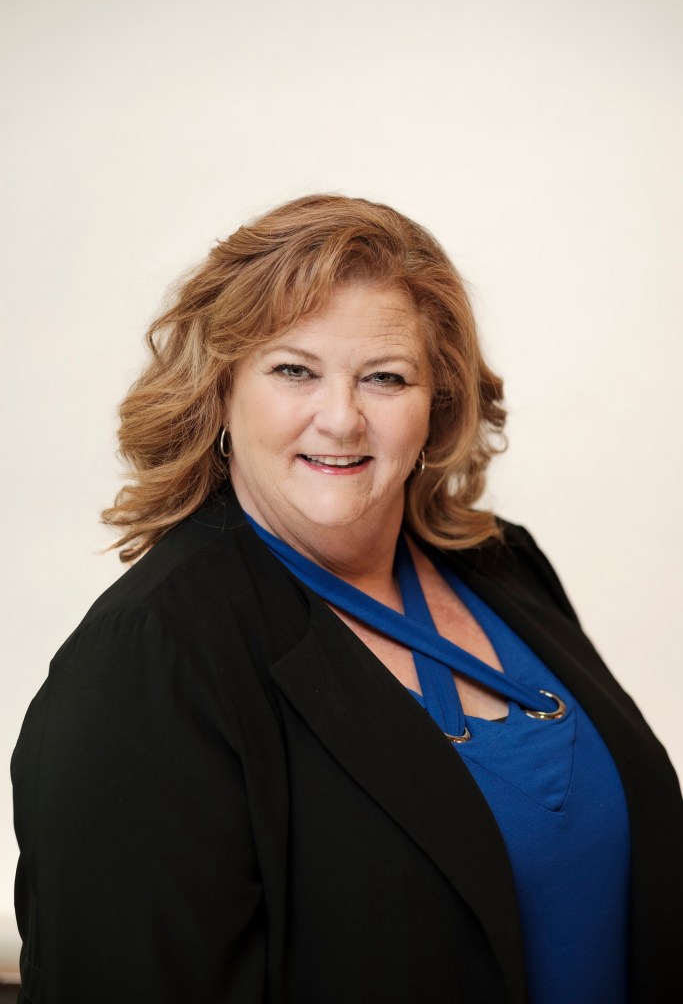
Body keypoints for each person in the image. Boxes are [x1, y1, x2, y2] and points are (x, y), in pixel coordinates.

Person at [12, 194, 683, 1004]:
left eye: (385, 378)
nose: (340, 419)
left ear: (436, 407)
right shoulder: (148, 662)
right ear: (220, 391)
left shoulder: (502, 563)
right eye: (293, 370)